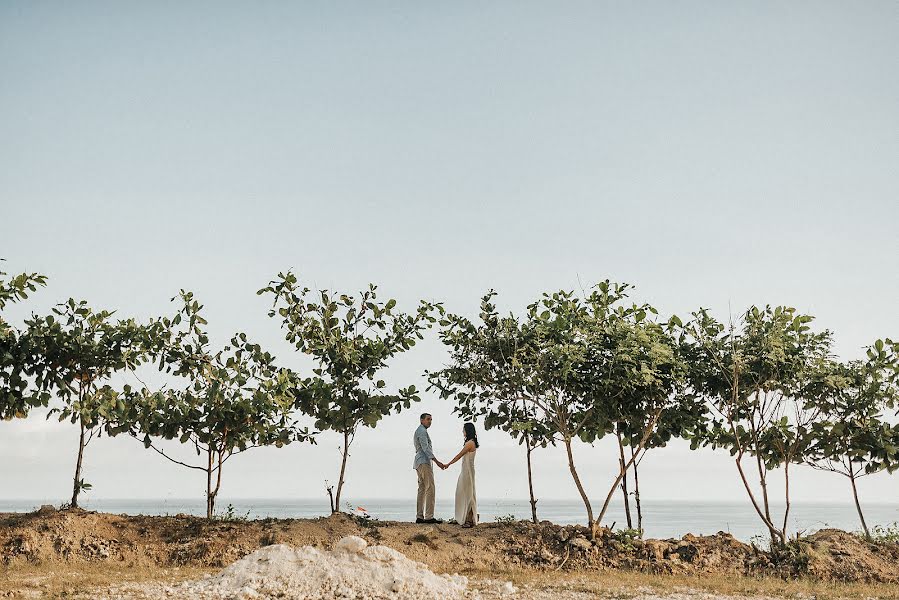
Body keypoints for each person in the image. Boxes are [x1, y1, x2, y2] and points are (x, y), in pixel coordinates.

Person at [444, 421, 478, 527]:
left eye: (463, 429)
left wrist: (448, 464)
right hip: (465, 471)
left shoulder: (470, 443)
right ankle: (461, 518)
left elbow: (459, 456)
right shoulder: (469, 442)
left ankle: (469, 519)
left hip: (468, 471)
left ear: (467, 431)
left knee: (468, 494)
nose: (462, 431)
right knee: (462, 493)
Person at [413, 413, 446, 524]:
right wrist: (436, 461)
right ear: (421, 420)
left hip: (419, 462)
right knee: (430, 488)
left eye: (431, 419)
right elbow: (425, 448)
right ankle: (428, 516)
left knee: (422, 489)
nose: (430, 421)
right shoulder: (422, 431)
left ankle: (419, 516)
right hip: (423, 461)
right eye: (428, 419)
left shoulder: (420, 430)